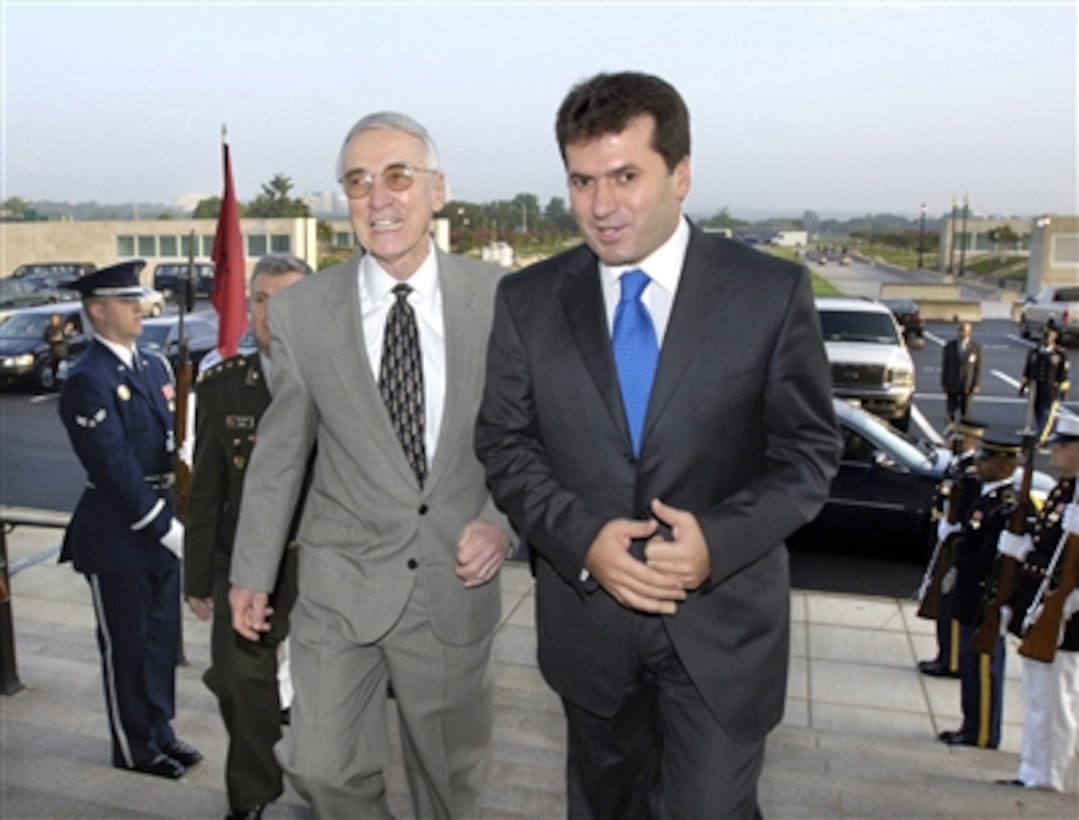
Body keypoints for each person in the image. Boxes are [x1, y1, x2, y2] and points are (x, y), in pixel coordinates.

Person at [475, 71, 841, 818]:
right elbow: (505, 444)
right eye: (581, 181)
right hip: (589, 630)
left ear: (680, 174)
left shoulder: (769, 293)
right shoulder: (526, 300)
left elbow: (806, 456)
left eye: (624, 177)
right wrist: (582, 540)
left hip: (722, 632)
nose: (600, 206)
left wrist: (716, 541)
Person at [227, 112, 513, 819]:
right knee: (321, 769)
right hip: (339, 582)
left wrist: (499, 521)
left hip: (451, 582)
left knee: (448, 785)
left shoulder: (501, 300)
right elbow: (281, 453)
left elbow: (532, 436)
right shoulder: (303, 311)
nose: (377, 198)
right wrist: (251, 574)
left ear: (437, 190)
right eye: (358, 182)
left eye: (396, 177)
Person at [57, 260, 201, 780]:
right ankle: (134, 746)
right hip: (119, 533)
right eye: (126, 300)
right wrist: (166, 526)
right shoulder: (87, 380)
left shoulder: (156, 366)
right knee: (128, 646)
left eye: (137, 298)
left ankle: (161, 732)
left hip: (161, 523)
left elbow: (171, 443)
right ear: (97, 311)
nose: (139, 307)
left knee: (160, 641)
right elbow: (114, 467)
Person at [183, 253, 313, 820]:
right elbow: (206, 489)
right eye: (261, 300)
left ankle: (328, 781)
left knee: (332, 687)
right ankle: (253, 793)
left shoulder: (342, 380)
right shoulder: (224, 387)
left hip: (322, 565)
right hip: (243, 565)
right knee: (237, 680)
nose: (271, 312)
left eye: (286, 301)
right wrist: (197, 576)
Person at [996, 415, 1079, 792]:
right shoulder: (1065, 491)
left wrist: (1070, 602)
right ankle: (1033, 769)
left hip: (1065, 617)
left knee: (1056, 702)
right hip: (1042, 609)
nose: (1055, 450)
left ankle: (1051, 775)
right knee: (1036, 699)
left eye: (1064, 444)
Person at [937, 434, 1020, 748]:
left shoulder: (1003, 507)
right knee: (971, 666)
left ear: (1004, 466)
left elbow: (991, 560)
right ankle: (970, 725)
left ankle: (982, 731)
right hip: (971, 595)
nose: (979, 464)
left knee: (983, 668)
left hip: (984, 598)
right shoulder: (986, 500)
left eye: (985, 459)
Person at [918, 416, 987, 679]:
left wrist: (956, 528)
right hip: (946, 540)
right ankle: (944, 653)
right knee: (942, 601)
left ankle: (952, 659)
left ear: (966, 439)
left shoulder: (972, 472)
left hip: (957, 544)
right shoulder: (958, 466)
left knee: (950, 603)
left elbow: (969, 511)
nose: (947, 439)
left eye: (953, 435)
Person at [1019, 324, 1070, 443]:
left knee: (1047, 414)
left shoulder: (1059, 355)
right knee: (1037, 411)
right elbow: (1028, 369)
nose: (1047, 339)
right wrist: (1023, 385)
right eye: (1045, 336)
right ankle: (1040, 434)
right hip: (1036, 388)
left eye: (1050, 336)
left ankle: (1041, 438)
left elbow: (1063, 374)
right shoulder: (1035, 352)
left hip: (1051, 388)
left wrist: (1064, 390)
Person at [941, 322, 981, 423]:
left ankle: (963, 432)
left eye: (967, 331)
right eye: (963, 331)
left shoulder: (976, 348)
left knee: (966, 412)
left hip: (967, 383)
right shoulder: (950, 346)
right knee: (951, 411)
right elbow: (945, 365)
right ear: (959, 332)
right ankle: (950, 430)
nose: (965, 333)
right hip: (952, 382)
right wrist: (944, 382)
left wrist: (976, 384)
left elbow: (977, 368)